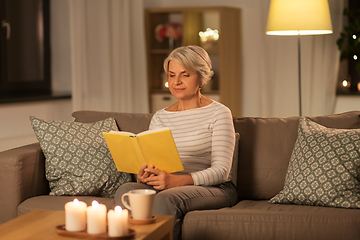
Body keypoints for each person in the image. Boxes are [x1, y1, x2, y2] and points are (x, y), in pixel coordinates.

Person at [114, 45, 237, 240]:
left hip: (214, 188)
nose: (176, 82)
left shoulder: (219, 113)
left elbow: (222, 171)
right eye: (172, 75)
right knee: (126, 191)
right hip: (167, 184)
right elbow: (155, 162)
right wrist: (146, 174)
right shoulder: (160, 117)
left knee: (166, 197)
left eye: (185, 75)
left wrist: (175, 181)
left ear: (202, 77)